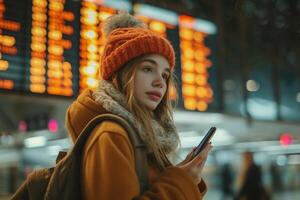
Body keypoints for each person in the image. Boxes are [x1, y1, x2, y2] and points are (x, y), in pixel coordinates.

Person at [65, 12, 213, 200]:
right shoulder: (111, 134)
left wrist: (186, 178)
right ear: (120, 73)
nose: (160, 82)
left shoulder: (138, 135)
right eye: (147, 69)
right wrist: (180, 183)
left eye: (165, 75)